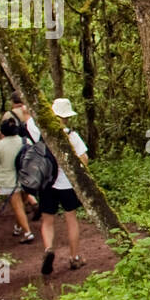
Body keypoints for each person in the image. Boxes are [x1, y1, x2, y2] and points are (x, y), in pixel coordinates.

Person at [39, 97, 90, 275]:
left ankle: (48, 250)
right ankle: (74, 257)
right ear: (67, 116)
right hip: (66, 184)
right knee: (71, 220)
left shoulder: (43, 134)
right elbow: (84, 159)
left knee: (47, 221)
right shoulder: (72, 135)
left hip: (46, 184)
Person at [0, 114, 35, 243]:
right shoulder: (26, 141)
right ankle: (19, 226)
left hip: (9, 181)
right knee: (21, 205)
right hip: (26, 178)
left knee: (18, 207)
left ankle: (27, 233)